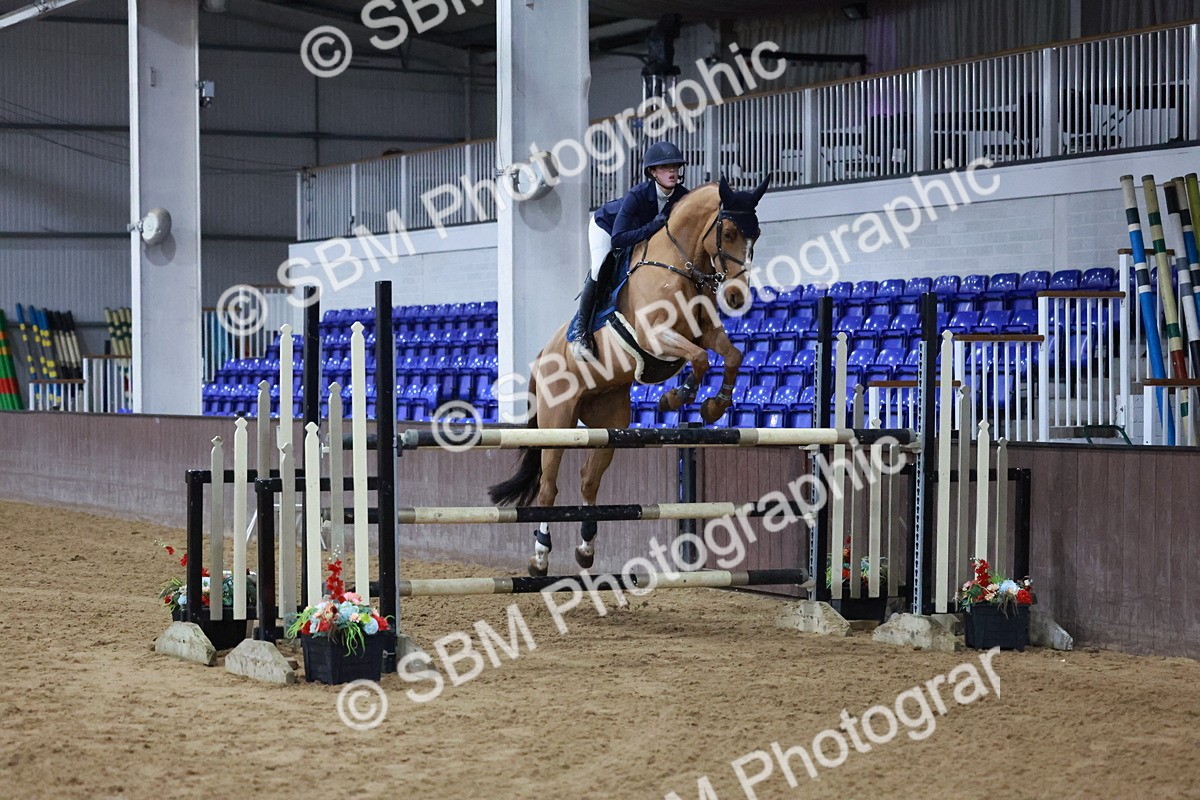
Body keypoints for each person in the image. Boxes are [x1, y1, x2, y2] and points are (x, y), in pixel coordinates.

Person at [568, 140, 690, 359]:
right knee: (599, 269)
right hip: (607, 227)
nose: (672, 171)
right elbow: (618, 238)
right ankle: (581, 331)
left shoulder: (682, 197)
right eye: (665, 167)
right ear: (653, 172)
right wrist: (652, 227)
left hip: (637, 236)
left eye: (675, 166)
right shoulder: (638, 195)